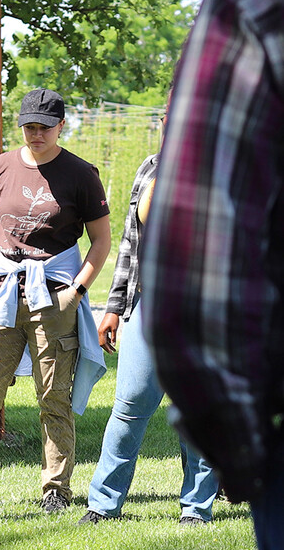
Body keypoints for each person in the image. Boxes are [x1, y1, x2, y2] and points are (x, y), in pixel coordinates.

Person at [142, 0, 284, 550]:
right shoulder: (141, 172)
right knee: (130, 407)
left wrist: (253, 464)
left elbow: (192, 294)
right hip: (129, 309)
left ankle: (207, 494)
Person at [0, 88, 110, 513]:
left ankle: (56, 487)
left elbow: (101, 241)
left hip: (54, 294)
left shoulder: (80, 174)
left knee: (53, 396)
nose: (35, 134)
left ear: (61, 126)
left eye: (44, 126)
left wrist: (75, 293)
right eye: (28, 126)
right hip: (1, 292)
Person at [80, 152, 218, 526]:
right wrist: (114, 305)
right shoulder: (150, 167)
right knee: (128, 406)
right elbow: (129, 243)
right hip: (149, 303)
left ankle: (196, 508)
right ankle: (103, 504)